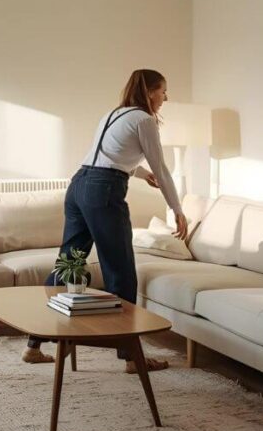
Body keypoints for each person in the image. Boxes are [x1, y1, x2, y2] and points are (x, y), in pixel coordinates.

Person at [23, 68, 188, 373]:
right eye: (163, 90)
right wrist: (177, 208)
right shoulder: (144, 119)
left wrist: (138, 172)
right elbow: (162, 169)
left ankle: (33, 344)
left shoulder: (114, 113)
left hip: (79, 184)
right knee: (121, 271)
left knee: (68, 264)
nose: (165, 97)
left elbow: (105, 155)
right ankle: (131, 358)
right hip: (104, 192)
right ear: (151, 91)